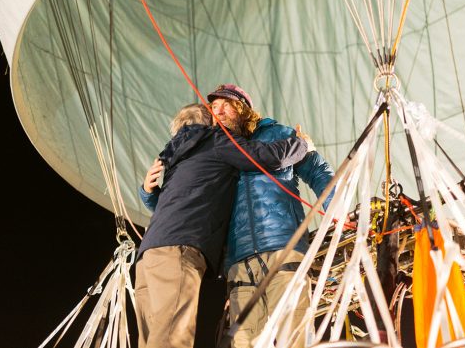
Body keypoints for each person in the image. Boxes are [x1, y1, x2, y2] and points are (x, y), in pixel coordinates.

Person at [135, 103, 309, 348]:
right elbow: (264, 157)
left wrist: (145, 193)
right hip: (179, 251)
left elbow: (177, 202)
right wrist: (300, 144)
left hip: (148, 256)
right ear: (209, 123)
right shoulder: (214, 140)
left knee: (152, 339)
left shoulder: (177, 154)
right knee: (172, 339)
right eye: (214, 110)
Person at [206, 84, 335, 348]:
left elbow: (319, 172)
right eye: (213, 107)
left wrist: (337, 211)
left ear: (242, 107)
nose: (217, 111)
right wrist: (150, 196)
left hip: (282, 248)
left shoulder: (278, 135)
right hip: (240, 261)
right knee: (244, 341)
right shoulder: (218, 153)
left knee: (295, 335)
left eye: (224, 104)